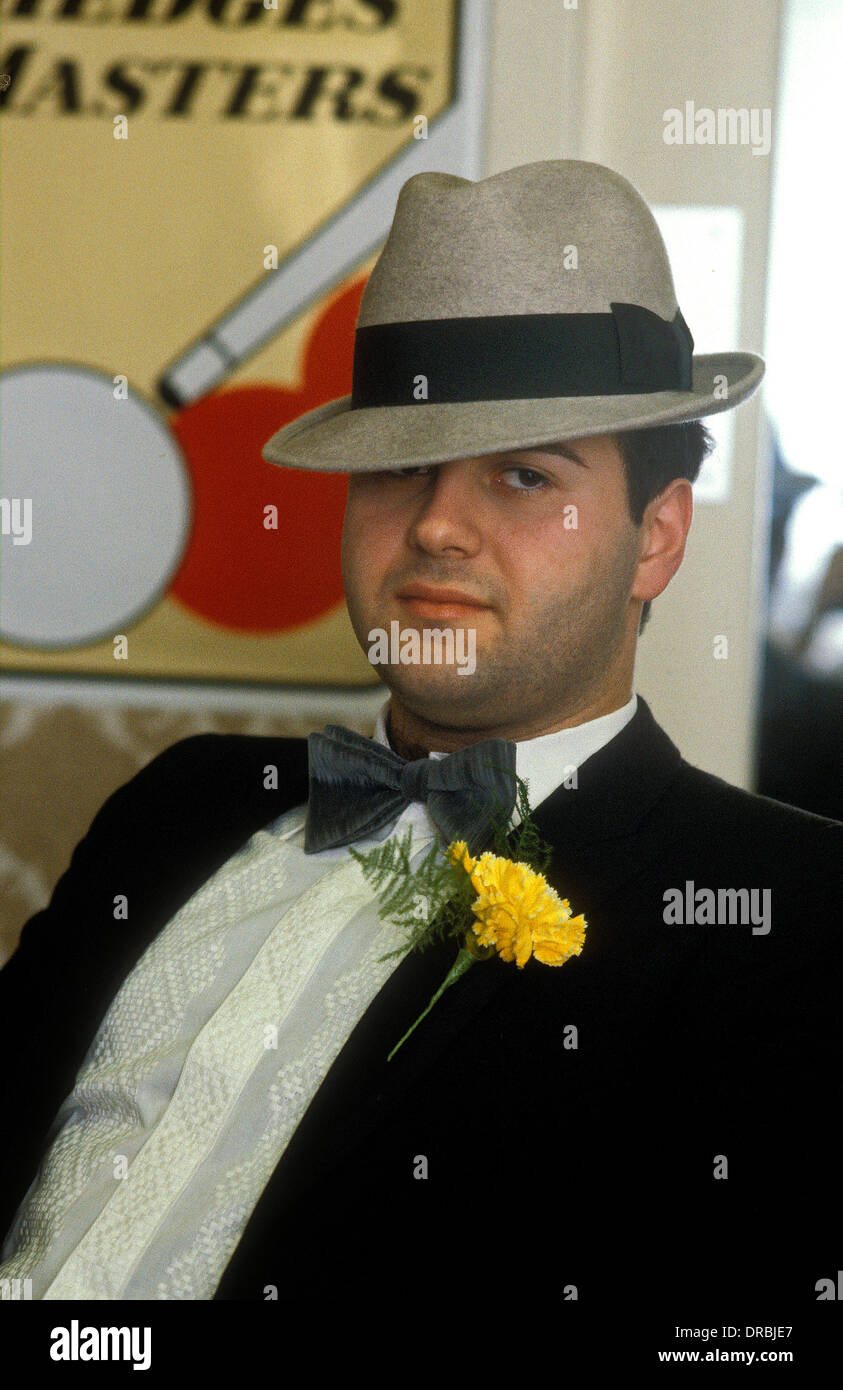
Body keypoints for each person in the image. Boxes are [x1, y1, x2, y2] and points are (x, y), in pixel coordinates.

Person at [0, 161, 839, 1327]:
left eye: (522, 475)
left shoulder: (783, 914)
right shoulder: (178, 805)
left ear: (656, 540)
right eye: (398, 467)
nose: (438, 524)